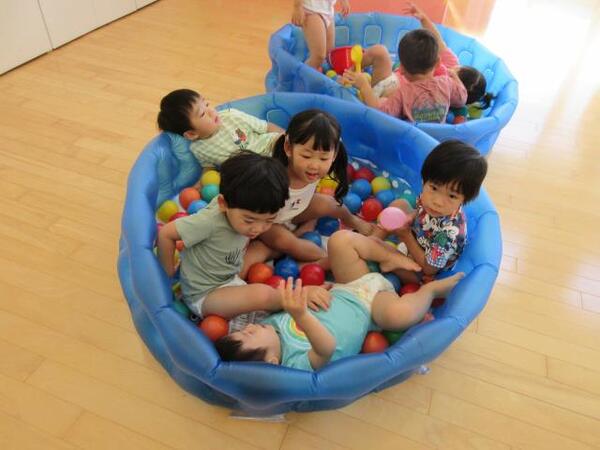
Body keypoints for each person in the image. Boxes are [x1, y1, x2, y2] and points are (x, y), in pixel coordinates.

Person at [215, 229, 464, 370]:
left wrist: (309, 292)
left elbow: (289, 298)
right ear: (271, 361)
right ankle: (429, 292)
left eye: (243, 330)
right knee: (398, 316)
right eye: (248, 335)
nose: (248, 327)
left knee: (339, 240)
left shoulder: (270, 325)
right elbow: (326, 348)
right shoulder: (295, 363)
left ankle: (387, 256)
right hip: (371, 308)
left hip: (346, 286)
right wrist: (301, 315)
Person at [157, 151, 308, 318]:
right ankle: (300, 298)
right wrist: (166, 275)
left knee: (268, 245)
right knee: (261, 295)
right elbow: (165, 234)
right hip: (205, 295)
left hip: (230, 276)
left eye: (269, 220)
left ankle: (305, 253)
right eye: (249, 220)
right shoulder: (209, 221)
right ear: (223, 204)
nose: (258, 228)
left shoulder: (241, 209)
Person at [241, 109, 374, 275]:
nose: (314, 165)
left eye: (323, 158)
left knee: (330, 203)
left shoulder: (323, 163)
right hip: (268, 222)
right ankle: (330, 258)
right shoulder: (272, 175)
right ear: (288, 148)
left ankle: (352, 220)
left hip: (296, 210)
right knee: (285, 242)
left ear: (334, 155)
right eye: (306, 156)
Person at [341, 3, 493, 122]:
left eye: (457, 70)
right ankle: (352, 74)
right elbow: (462, 97)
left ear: (402, 68)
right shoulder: (448, 86)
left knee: (380, 51)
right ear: (437, 62)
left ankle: (349, 75)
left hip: (389, 91)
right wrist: (424, 19)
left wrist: (364, 85)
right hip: (395, 94)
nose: (452, 68)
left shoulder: (406, 94)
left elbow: (379, 111)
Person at [375, 140, 487, 284]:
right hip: (418, 235)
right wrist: (410, 217)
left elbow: (429, 269)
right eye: (434, 188)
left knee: (409, 272)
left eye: (452, 196)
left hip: (424, 266)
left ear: (464, 199)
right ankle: (373, 238)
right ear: (424, 181)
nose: (437, 202)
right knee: (399, 204)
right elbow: (419, 211)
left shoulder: (447, 235)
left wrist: (406, 236)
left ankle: (380, 254)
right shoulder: (427, 198)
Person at [157, 89, 284, 169]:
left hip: (271, 147)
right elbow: (209, 168)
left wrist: (285, 135)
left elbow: (267, 127)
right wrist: (203, 184)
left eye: (207, 104)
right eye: (202, 113)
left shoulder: (231, 116)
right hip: (254, 171)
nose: (211, 111)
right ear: (191, 134)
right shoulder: (198, 149)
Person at [292, 0, 351, 71]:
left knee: (329, 52)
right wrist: (297, 7)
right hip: (311, 9)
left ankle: (315, 69)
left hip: (328, 10)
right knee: (319, 56)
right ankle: (300, 74)